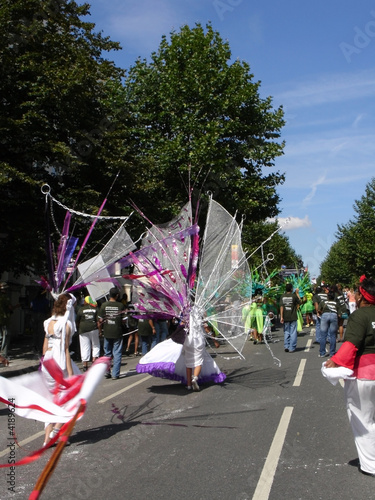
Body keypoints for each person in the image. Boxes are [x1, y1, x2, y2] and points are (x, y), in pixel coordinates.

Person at [324, 275, 375, 477]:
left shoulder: (359, 316)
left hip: (364, 375)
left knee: (362, 420)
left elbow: (351, 344)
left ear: (362, 297)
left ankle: (371, 464)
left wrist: (334, 361)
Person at [42, 293, 81, 446]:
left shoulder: (48, 322)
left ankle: (47, 440)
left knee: (52, 399)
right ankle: (57, 431)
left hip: (48, 362)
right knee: (75, 395)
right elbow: (65, 350)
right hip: (60, 362)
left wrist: (44, 363)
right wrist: (71, 374)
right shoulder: (66, 325)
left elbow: (44, 346)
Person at [98, 287, 126, 380]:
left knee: (107, 353)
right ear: (117, 295)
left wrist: (100, 331)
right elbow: (124, 320)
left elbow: (100, 320)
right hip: (117, 332)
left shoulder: (104, 305)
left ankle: (107, 371)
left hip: (107, 331)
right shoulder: (120, 305)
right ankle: (115, 374)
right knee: (117, 353)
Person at [76, 296, 100, 372]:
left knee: (84, 347)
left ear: (86, 301)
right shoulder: (95, 309)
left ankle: (85, 365)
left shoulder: (81, 309)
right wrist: (100, 331)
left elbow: (77, 320)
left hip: (83, 330)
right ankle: (94, 361)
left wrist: (79, 327)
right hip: (93, 328)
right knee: (95, 344)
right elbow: (98, 322)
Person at [318, 287, 340, 358]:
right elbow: (339, 313)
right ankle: (332, 353)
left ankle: (322, 353)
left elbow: (319, 310)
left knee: (323, 335)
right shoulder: (336, 303)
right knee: (333, 335)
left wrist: (321, 312)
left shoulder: (323, 302)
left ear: (327, 296)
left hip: (325, 316)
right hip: (334, 315)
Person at [279, 283, 301, 353]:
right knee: (293, 332)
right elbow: (300, 302)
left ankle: (286, 346)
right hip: (293, 316)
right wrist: (297, 293)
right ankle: (292, 347)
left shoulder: (282, 296)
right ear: (291, 289)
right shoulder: (293, 296)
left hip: (285, 316)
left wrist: (281, 316)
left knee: (286, 332)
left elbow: (281, 307)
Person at [30, 288, 51, 354]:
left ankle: (34, 346)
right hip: (42, 316)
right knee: (41, 332)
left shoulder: (33, 300)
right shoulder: (46, 301)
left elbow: (31, 308)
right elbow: (47, 309)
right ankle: (40, 347)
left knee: (35, 332)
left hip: (34, 315)